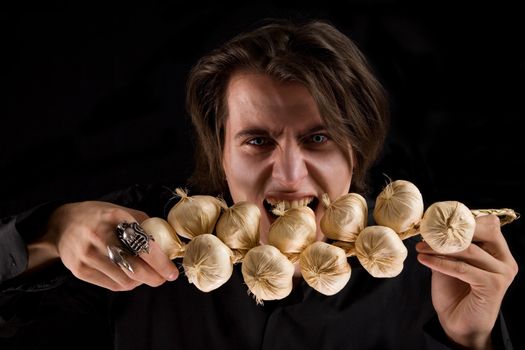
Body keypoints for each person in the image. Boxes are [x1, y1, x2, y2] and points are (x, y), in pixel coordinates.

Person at [0, 18, 518, 350]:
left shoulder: (427, 277)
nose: (290, 176)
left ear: (354, 150)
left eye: (318, 138)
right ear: (220, 151)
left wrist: (471, 340)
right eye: (257, 141)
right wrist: (53, 231)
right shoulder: (138, 234)